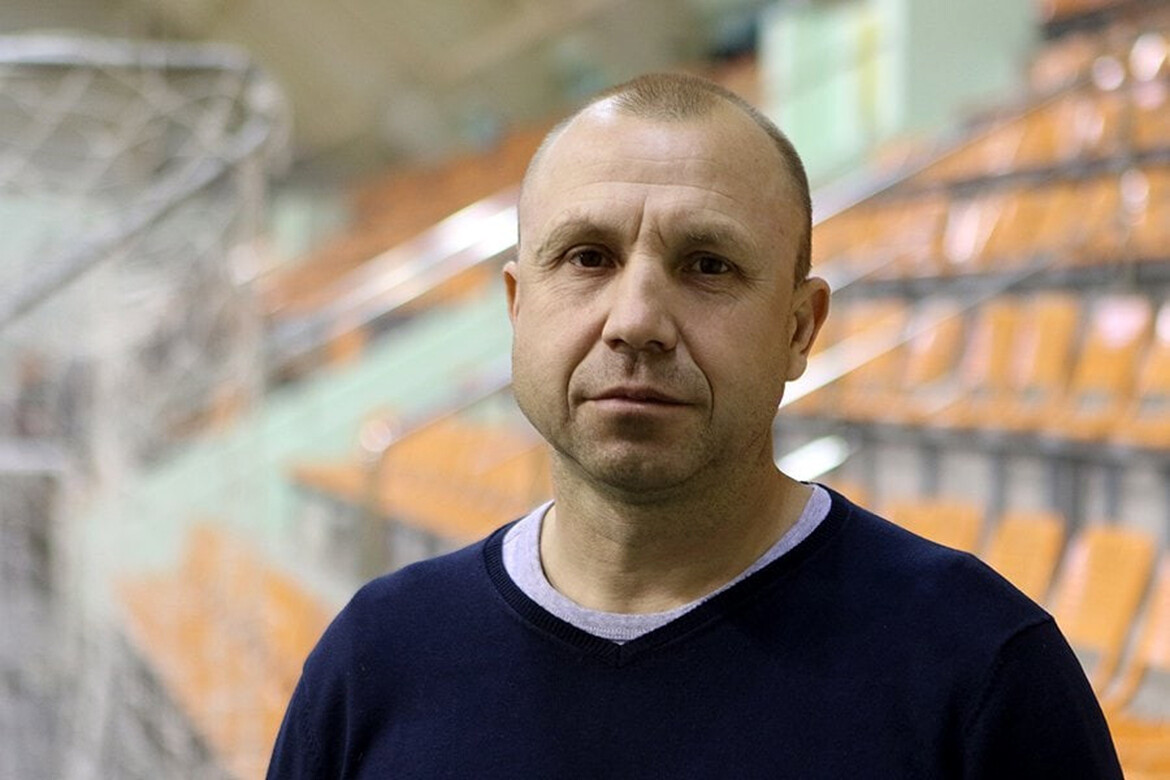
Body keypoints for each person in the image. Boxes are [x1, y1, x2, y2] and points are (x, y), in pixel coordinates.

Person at [267, 72, 1121, 778]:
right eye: (588, 257)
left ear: (799, 329)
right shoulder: (379, 657)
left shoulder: (978, 666)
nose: (637, 320)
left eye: (707, 265)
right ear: (518, 307)